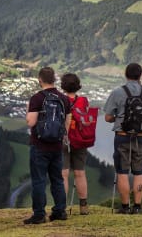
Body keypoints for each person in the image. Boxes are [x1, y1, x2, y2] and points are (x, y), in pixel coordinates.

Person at [104, 63, 142, 214]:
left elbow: (107, 117)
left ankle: (125, 207)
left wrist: (118, 118)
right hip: (141, 137)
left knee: (122, 172)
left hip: (122, 137)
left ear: (126, 75)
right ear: (141, 75)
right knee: (139, 172)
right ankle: (138, 207)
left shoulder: (117, 92)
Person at [24, 67, 71, 224]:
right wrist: (62, 136)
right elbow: (67, 122)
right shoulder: (64, 99)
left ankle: (39, 214)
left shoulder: (37, 98)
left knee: (39, 181)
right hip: (57, 146)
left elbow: (31, 122)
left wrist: (28, 111)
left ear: (40, 80)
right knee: (57, 179)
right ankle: (60, 211)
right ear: (54, 79)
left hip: (39, 145)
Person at [60, 73, 89, 215]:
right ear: (78, 85)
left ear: (63, 86)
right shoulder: (83, 100)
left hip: (63, 140)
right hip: (79, 140)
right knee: (80, 173)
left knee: (63, 174)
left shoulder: (60, 100)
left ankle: (62, 207)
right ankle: (83, 207)